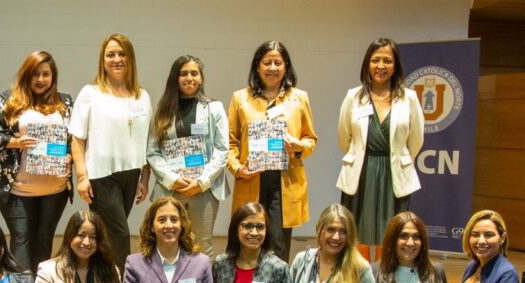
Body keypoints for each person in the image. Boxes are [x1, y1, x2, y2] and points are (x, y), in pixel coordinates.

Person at [0, 50, 74, 272]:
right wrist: (15, 142)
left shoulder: (66, 102)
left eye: (46, 74)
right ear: (26, 74)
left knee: (44, 241)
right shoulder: (8, 100)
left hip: (55, 189)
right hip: (17, 189)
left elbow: (76, 139)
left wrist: (69, 156)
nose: (40, 79)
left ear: (53, 76)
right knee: (21, 240)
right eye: (35, 74)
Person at [228, 40, 318, 262]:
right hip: (251, 178)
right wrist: (237, 168)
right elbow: (230, 143)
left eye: (278, 62)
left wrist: (298, 147)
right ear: (257, 66)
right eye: (267, 62)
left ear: (286, 66)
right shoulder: (240, 98)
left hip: (284, 180)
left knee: (278, 243)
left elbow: (310, 139)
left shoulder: (299, 98)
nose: (272, 68)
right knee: (248, 238)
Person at [69, 33, 153, 269]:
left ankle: (98, 281)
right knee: (120, 235)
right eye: (111, 54)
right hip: (101, 175)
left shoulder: (142, 96)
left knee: (106, 237)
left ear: (130, 58)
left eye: (122, 54)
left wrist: (144, 178)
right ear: (102, 60)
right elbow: (77, 139)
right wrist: (82, 177)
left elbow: (146, 141)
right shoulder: (91, 93)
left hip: (131, 174)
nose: (117, 59)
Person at [337, 38, 424, 262]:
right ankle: (361, 274)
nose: (381, 66)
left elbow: (415, 140)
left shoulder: (409, 98)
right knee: (359, 231)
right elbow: (344, 137)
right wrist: (359, 156)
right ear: (367, 64)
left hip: (394, 173)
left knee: (392, 231)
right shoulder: (354, 96)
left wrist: (399, 158)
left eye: (387, 61)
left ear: (395, 66)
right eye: (375, 60)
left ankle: (385, 274)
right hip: (361, 171)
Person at [146, 55, 229, 258]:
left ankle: (201, 282)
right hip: (170, 188)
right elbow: (153, 152)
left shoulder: (214, 108)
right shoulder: (161, 111)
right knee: (167, 244)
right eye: (183, 73)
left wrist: (202, 182)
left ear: (201, 78)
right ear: (175, 78)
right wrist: (173, 179)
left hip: (204, 189)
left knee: (201, 247)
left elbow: (222, 150)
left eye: (194, 73)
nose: (189, 78)